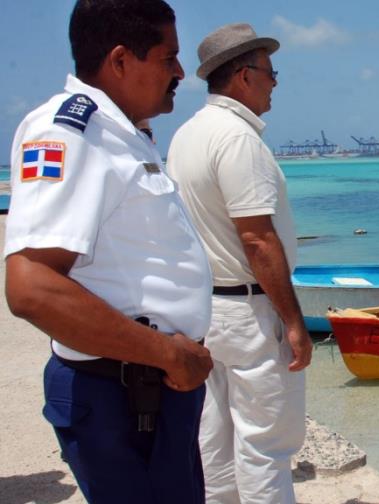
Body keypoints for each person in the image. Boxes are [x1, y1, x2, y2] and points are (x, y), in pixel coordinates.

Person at [3, 1, 213, 502]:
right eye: (168, 58)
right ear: (120, 61)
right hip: (122, 395)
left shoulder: (125, 133)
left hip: (151, 392)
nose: (181, 72)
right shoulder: (69, 131)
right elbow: (31, 285)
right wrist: (167, 353)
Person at [166, 23, 312, 504]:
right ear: (244, 76)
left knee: (216, 440)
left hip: (206, 309)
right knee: (266, 447)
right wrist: (293, 320)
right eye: (271, 73)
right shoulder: (239, 139)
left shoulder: (186, 136)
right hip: (250, 312)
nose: (275, 83)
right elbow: (257, 239)